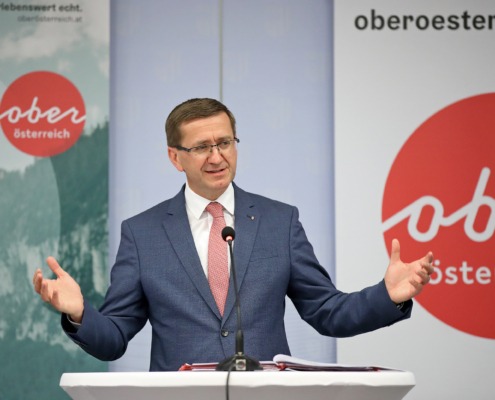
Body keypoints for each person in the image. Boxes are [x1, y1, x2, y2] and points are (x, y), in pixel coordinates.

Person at [33, 98, 434, 371]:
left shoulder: (279, 221)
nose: (217, 156)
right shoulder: (142, 233)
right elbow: (115, 337)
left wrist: (387, 295)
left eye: (225, 142)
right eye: (201, 147)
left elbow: (327, 311)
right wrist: (80, 313)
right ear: (175, 157)